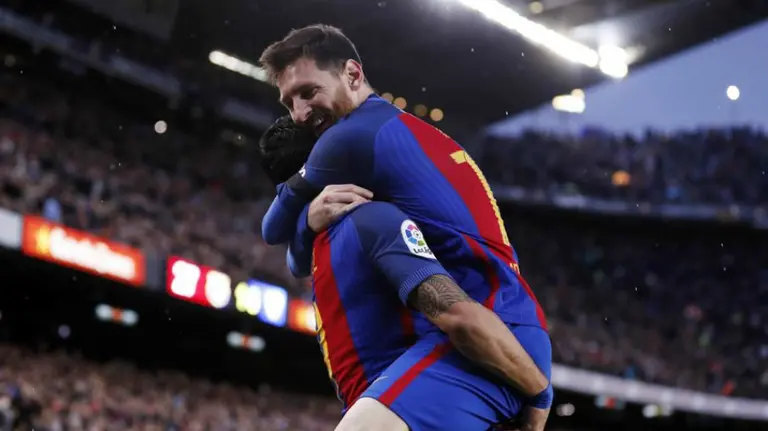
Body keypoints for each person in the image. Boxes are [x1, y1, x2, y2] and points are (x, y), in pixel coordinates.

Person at [258, 116, 551, 430]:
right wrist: (539, 391)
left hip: (381, 406)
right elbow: (458, 317)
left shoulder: (316, 248)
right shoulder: (374, 220)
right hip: (406, 412)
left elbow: (288, 250)